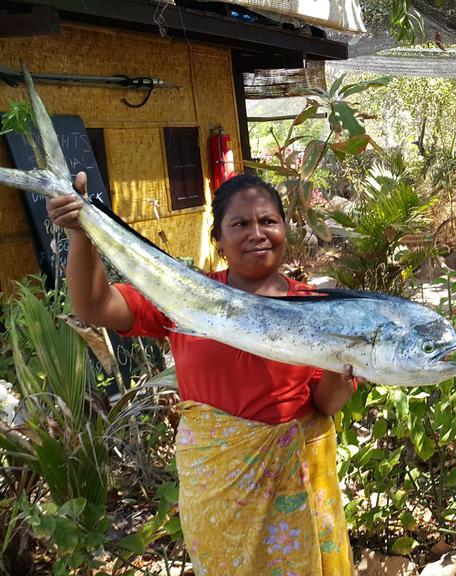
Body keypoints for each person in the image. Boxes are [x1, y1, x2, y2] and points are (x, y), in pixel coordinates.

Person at [47, 172, 358, 575]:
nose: (257, 233)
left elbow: (325, 403)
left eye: (268, 221)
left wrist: (345, 363)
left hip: (292, 489)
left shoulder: (317, 308)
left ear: (285, 229)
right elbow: (94, 305)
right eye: (241, 224)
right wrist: (80, 232)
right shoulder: (185, 295)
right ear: (219, 239)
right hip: (217, 490)